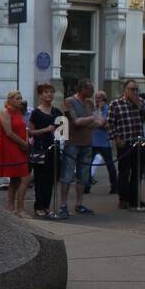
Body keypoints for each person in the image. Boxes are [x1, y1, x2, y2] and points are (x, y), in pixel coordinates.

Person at [107, 78, 145, 211]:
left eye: (136, 90)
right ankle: (123, 199)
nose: (134, 92)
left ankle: (134, 199)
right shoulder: (116, 104)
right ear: (125, 90)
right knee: (124, 171)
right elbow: (110, 123)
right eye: (132, 89)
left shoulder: (139, 102)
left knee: (137, 172)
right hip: (125, 143)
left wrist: (139, 106)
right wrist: (116, 138)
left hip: (138, 143)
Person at [57, 77, 99, 219]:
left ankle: (79, 204)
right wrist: (91, 119)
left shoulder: (90, 103)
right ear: (82, 89)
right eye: (89, 88)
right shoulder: (70, 101)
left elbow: (94, 124)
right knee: (67, 175)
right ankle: (63, 204)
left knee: (83, 176)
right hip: (72, 143)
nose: (92, 91)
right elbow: (75, 122)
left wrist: (91, 121)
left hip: (87, 142)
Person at [27, 82, 62, 218]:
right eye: (46, 92)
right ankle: (39, 206)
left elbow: (62, 133)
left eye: (51, 92)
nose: (49, 94)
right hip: (40, 149)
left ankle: (47, 206)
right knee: (40, 179)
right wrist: (45, 130)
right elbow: (31, 132)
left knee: (51, 179)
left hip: (54, 149)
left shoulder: (57, 112)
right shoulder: (36, 113)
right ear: (41, 95)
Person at [0, 89, 30, 216]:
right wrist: (23, 143)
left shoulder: (18, 112)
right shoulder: (5, 112)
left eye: (21, 98)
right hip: (12, 148)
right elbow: (9, 132)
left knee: (15, 179)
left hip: (20, 147)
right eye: (17, 98)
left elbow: (24, 128)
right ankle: (19, 209)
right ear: (9, 100)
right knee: (25, 179)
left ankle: (10, 207)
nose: (20, 101)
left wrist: (26, 143)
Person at [85, 89, 116, 196]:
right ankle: (86, 186)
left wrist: (100, 113)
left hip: (104, 142)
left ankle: (114, 186)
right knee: (87, 165)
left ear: (104, 99)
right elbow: (91, 123)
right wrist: (98, 122)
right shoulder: (93, 109)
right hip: (93, 141)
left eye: (99, 98)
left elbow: (106, 125)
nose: (97, 100)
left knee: (110, 165)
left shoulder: (108, 110)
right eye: (96, 98)